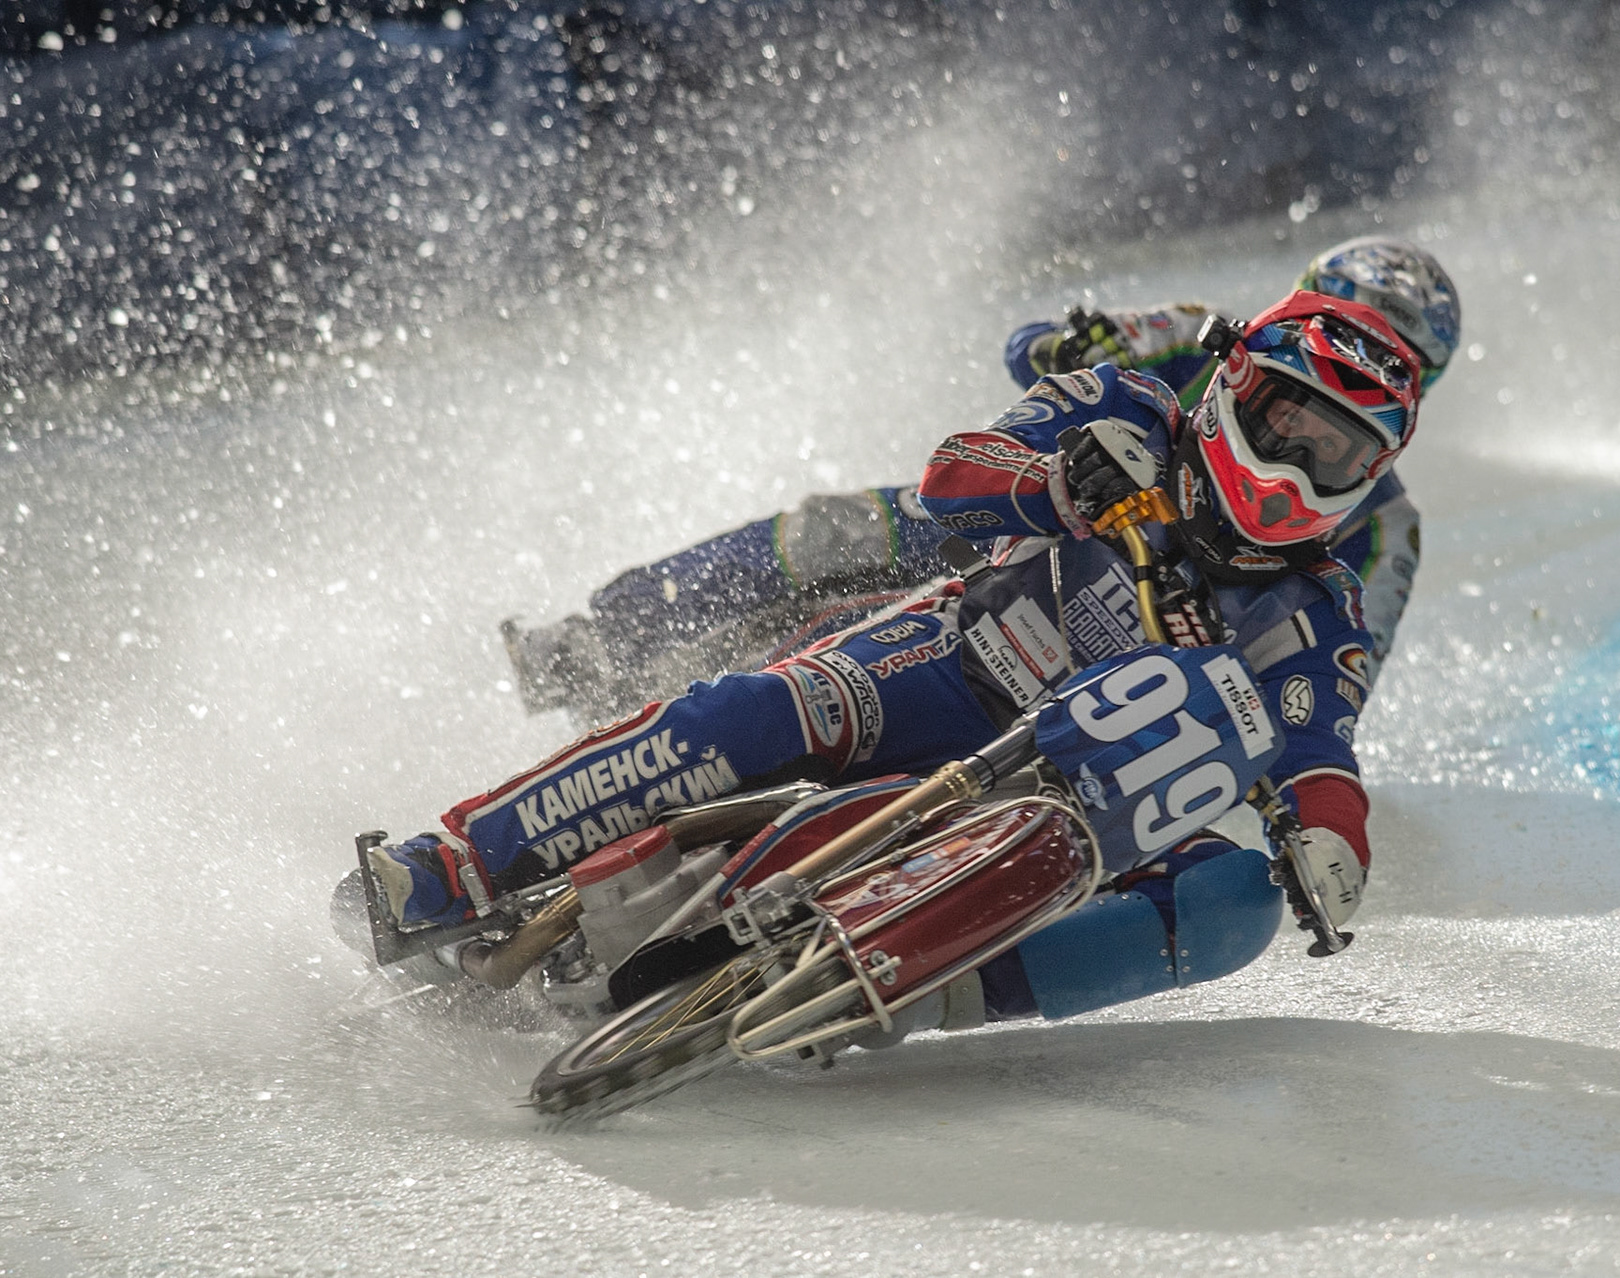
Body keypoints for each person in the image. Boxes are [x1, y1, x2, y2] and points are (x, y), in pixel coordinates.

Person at [366, 287, 1422, 1030]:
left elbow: (1318, 741)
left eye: (1337, 454)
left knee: (1231, 904)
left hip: (1078, 791)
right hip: (951, 657)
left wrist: (1333, 842)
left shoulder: (1322, 598)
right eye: (1289, 425)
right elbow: (954, 471)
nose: (1298, 468)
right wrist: (1058, 487)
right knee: (761, 707)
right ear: (1241, 380)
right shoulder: (1137, 398)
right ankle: (454, 862)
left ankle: (923, 995)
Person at [502, 237, 1461, 726]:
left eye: (1387, 362)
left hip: (1176, 641)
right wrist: (1065, 343)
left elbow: (1345, 681)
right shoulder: (1208, 331)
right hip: (1053, 523)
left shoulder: (1391, 531)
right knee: (846, 527)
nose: (1344, 368)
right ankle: (610, 632)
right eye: (1330, 326)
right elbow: (1034, 350)